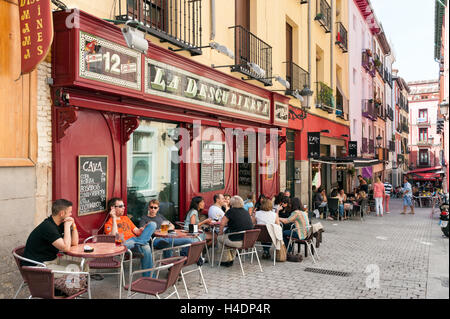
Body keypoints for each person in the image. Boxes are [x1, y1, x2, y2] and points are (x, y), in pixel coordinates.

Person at [23, 199, 80, 272]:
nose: (71, 214)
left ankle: (71, 283)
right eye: (69, 212)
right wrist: (67, 226)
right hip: (39, 266)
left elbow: (74, 243)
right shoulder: (48, 227)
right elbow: (66, 248)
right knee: (76, 271)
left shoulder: (60, 224)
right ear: (62, 213)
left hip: (52, 261)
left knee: (84, 266)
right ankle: (66, 283)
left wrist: (73, 225)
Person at [104, 197, 157, 277]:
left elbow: (137, 231)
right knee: (146, 247)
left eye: (124, 206)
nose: (124, 208)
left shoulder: (125, 218)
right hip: (125, 243)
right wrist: (114, 218)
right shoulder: (109, 224)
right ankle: (149, 278)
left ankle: (141, 242)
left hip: (136, 241)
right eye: (121, 206)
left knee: (153, 224)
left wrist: (143, 229)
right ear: (113, 208)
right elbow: (114, 238)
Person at [217, 196, 254, 267]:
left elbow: (222, 224)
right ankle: (231, 259)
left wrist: (220, 232)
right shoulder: (246, 212)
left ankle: (226, 260)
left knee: (220, 238)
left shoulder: (230, 211)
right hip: (248, 242)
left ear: (231, 203)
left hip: (236, 241)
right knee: (230, 236)